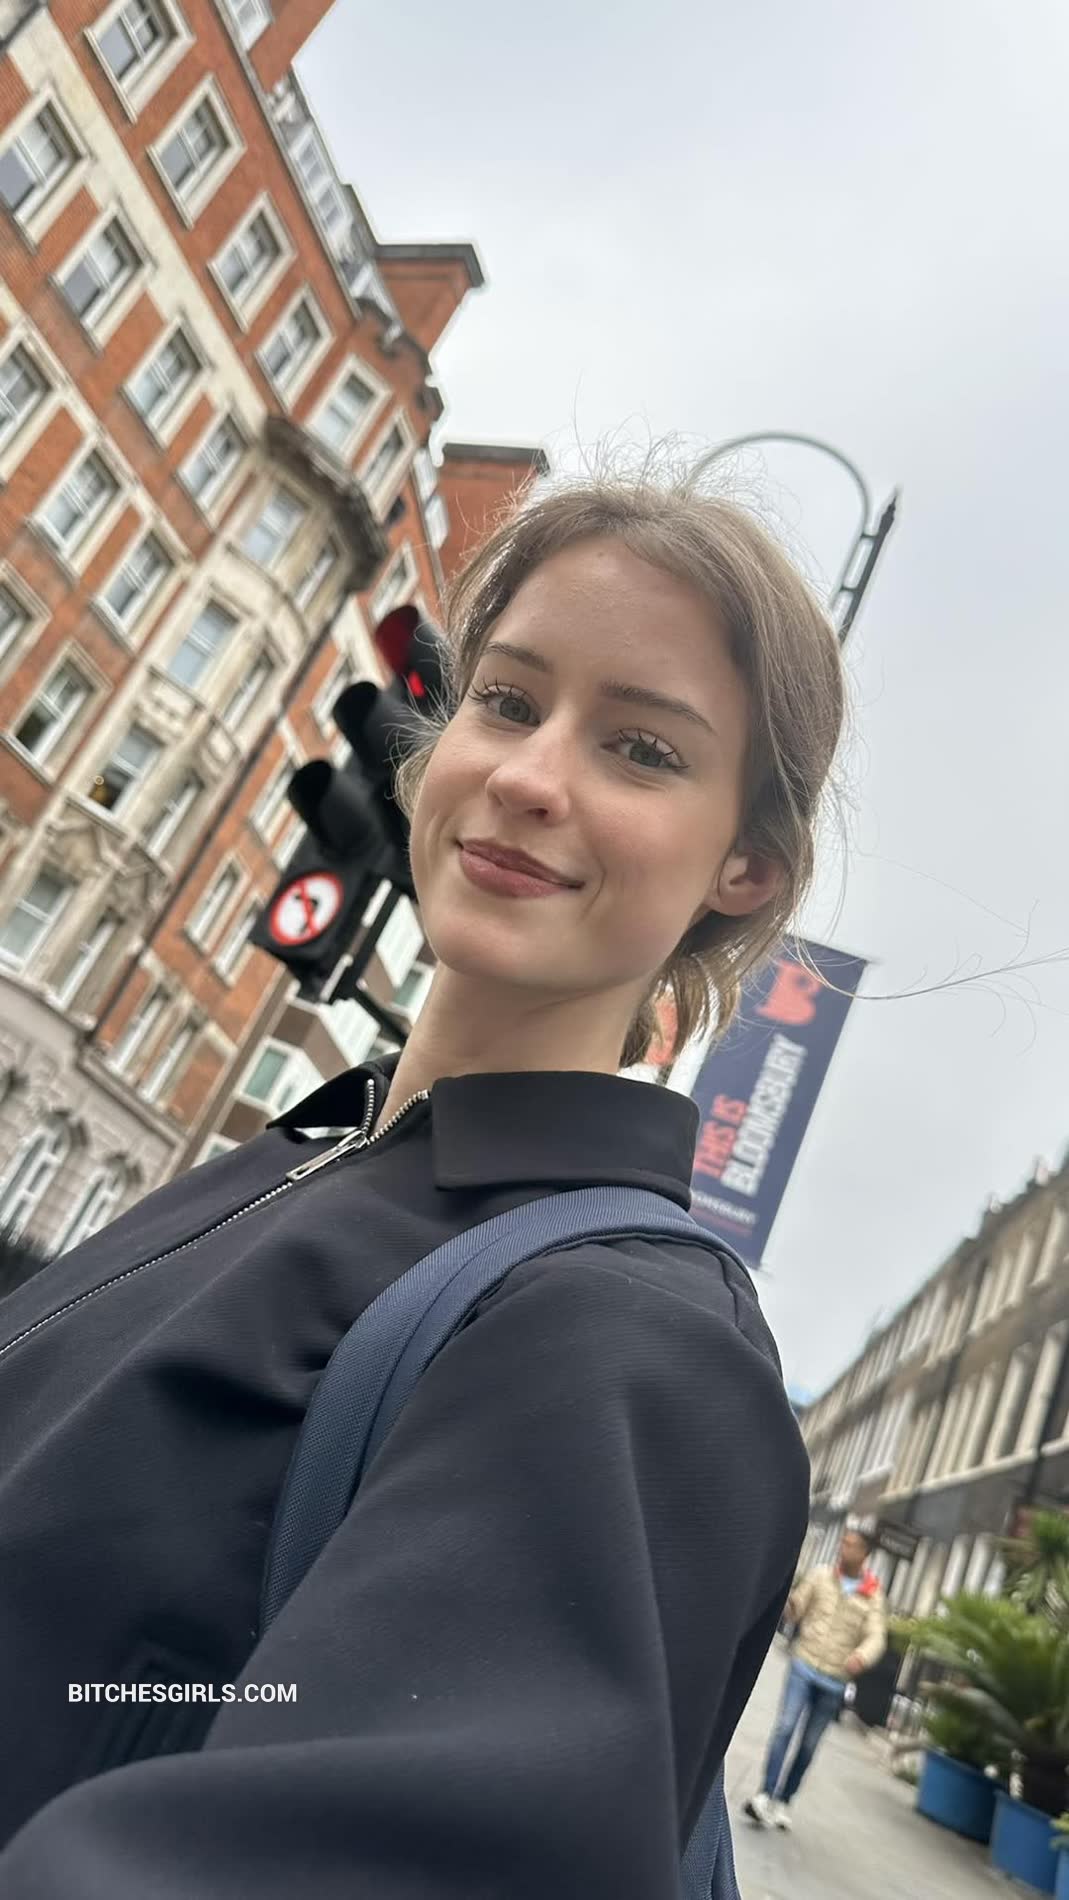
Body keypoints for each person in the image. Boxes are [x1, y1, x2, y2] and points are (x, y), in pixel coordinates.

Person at [0, 464, 845, 1897]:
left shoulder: (627, 1337)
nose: (527, 776)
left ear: (746, 869)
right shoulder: (298, 1157)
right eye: (507, 701)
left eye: (641, 749)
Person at [744, 1526, 888, 1831]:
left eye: (851, 1545)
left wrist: (862, 1656)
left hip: (835, 1678)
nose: (843, 1549)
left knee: (809, 1744)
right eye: (843, 1543)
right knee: (785, 1727)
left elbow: (876, 1636)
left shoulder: (872, 1595)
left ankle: (784, 1800)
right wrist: (789, 1601)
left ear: (864, 1554)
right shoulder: (821, 1576)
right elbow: (796, 1608)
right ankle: (765, 1794)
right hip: (804, 1664)